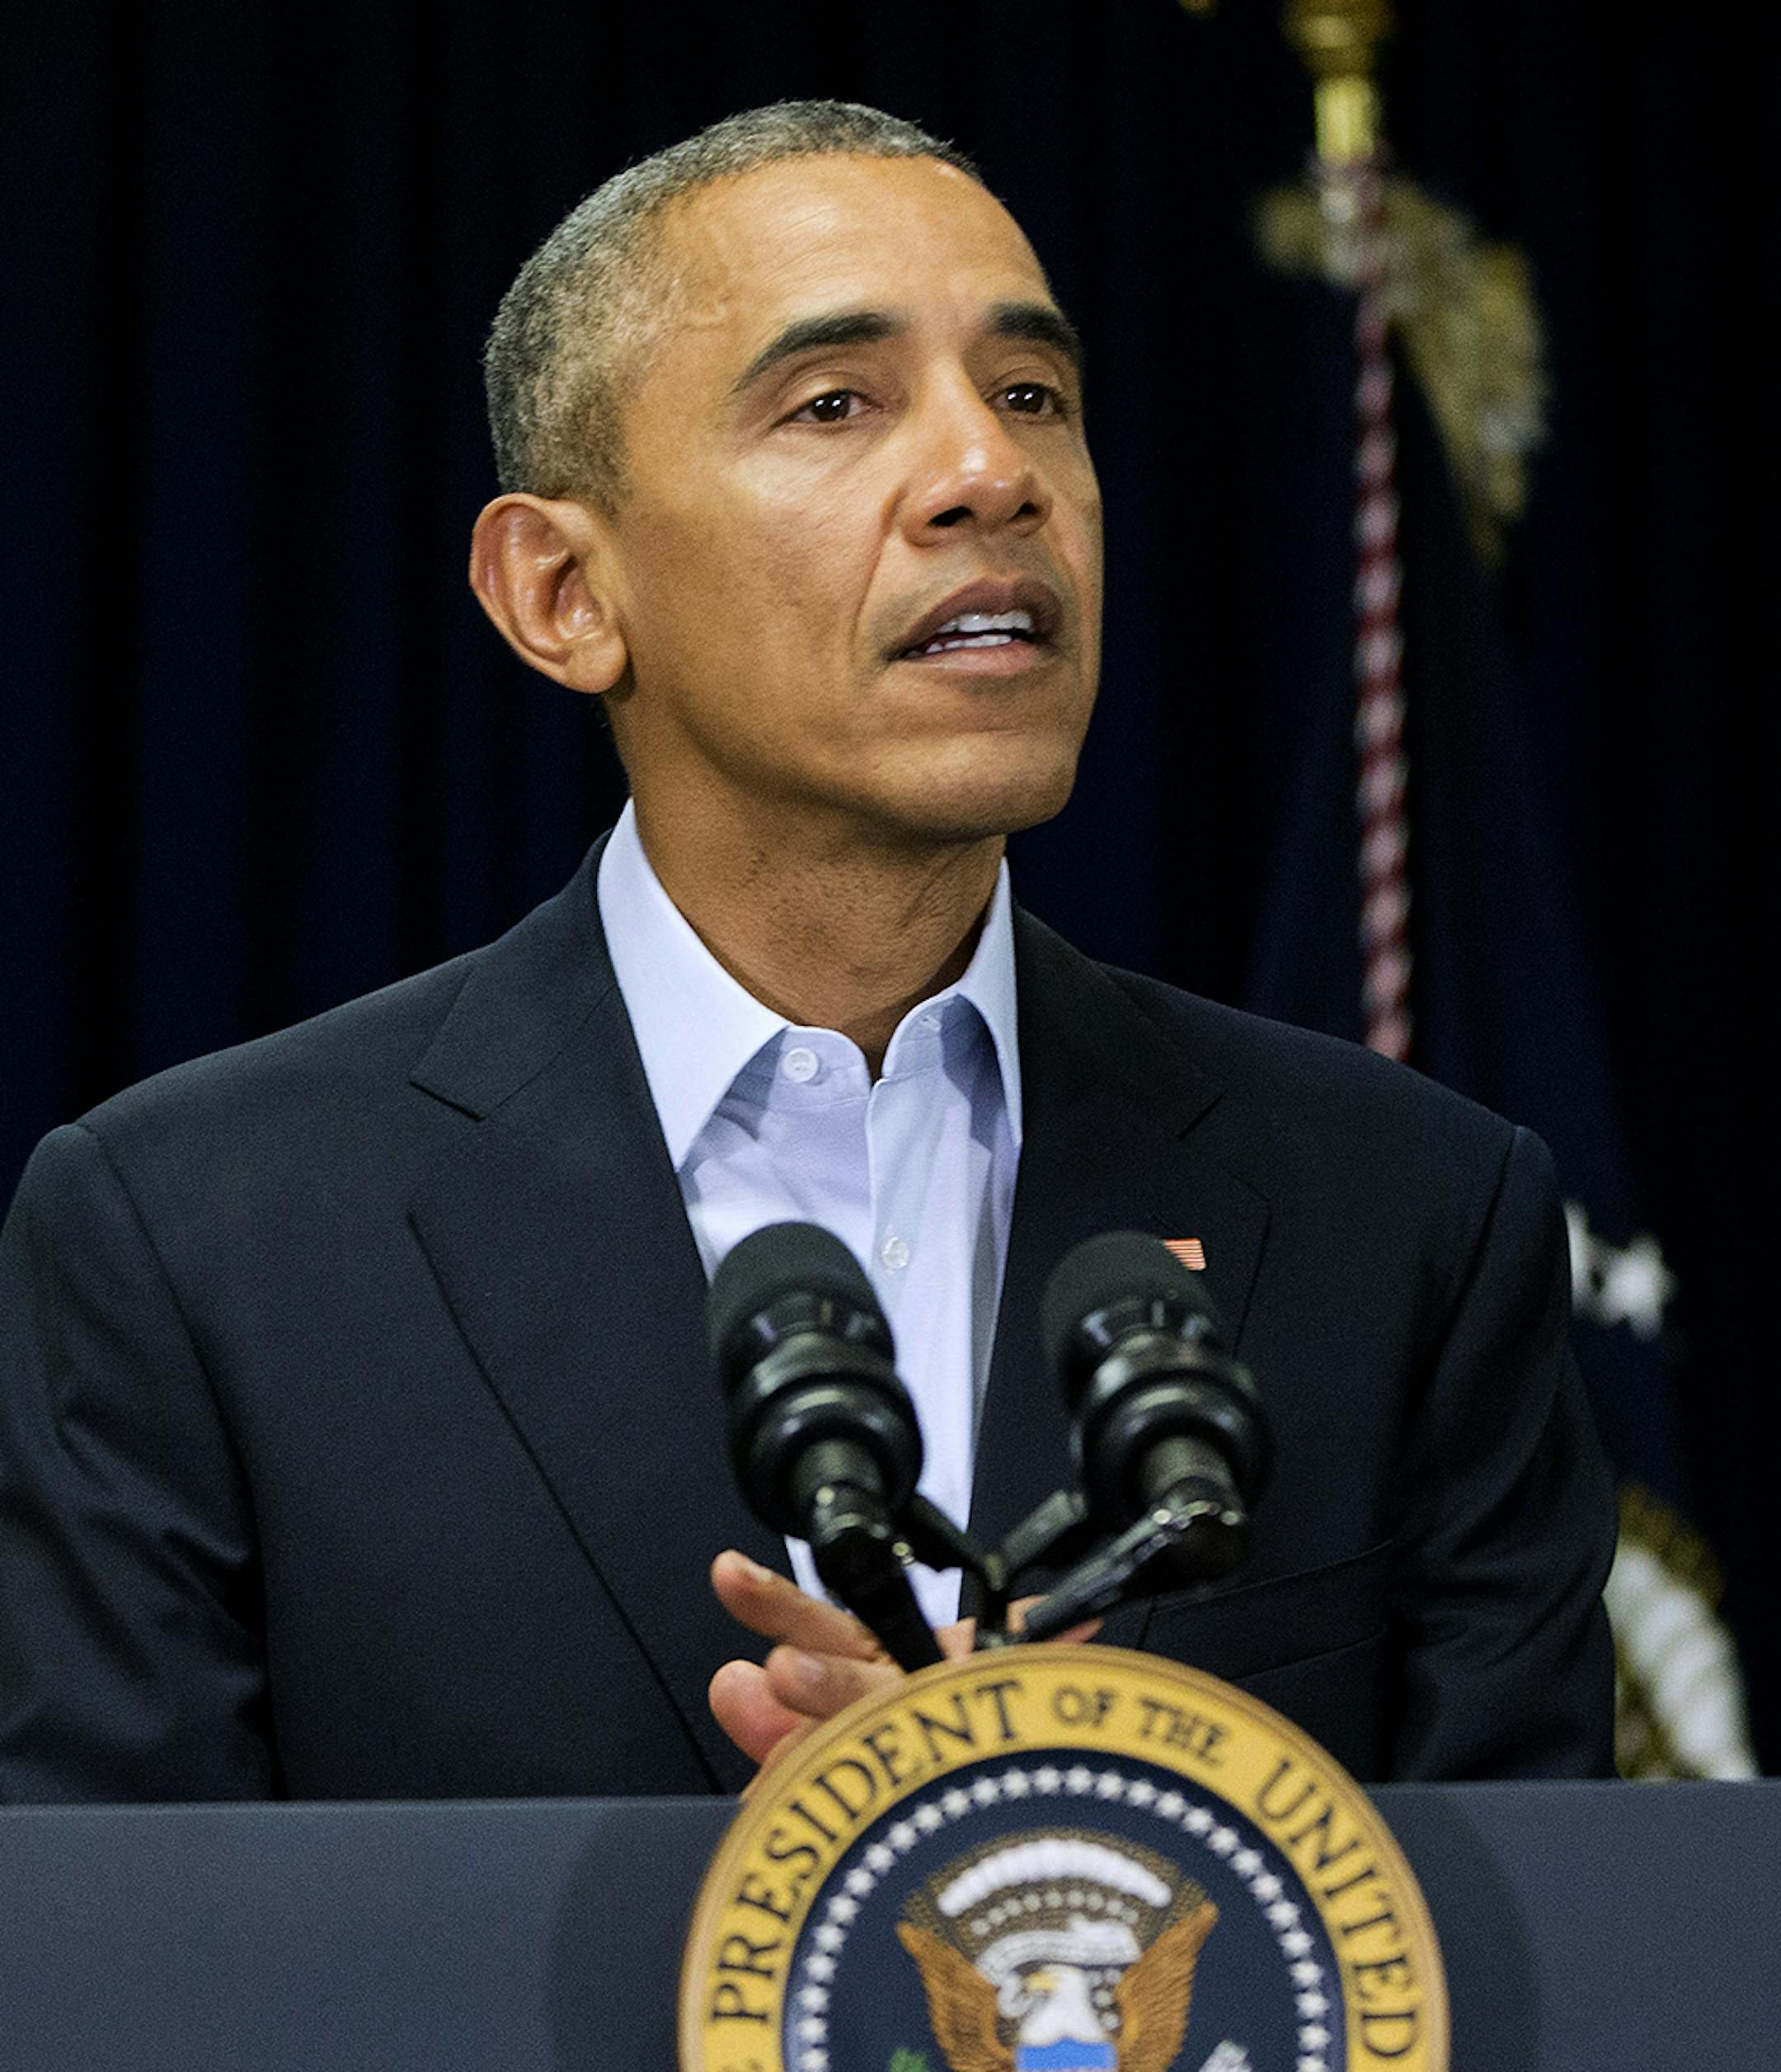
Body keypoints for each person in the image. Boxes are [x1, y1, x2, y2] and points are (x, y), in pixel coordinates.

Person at [0, 103, 1614, 1803]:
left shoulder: (1415, 1215)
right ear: (561, 591)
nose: (993, 473)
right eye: (836, 403)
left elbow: (1535, 1972)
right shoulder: (190, 1245)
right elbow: (127, 1985)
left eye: (1034, 396)